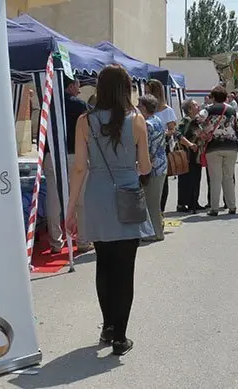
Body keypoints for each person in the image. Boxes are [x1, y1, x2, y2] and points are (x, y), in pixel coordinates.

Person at [65, 65, 154, 356]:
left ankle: (107, 326)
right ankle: (121, 337)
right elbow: (146, 167)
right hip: (126, 193)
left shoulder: (84, 121)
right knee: (124, 270)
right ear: (126, 88)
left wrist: (70, 208)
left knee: (103, 265)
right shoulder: (137, 119)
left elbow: (80, 167)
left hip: (97, 195)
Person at [44, 74, 92, 254]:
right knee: (80, 199)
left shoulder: (47, 102)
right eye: (78, 84)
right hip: (75, 154)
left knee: (53, 200)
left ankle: (55, 242)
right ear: (71, 85)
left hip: (52, 154)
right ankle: (83, 240)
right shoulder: (79, 105)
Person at [201, 86, 238, 216]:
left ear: (213, 97)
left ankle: (214, 208)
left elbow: (195, 121)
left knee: (215, 178)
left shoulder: (208, 109)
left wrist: (202, 134)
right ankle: (232, 206)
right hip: (231, 147)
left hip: (214, 147)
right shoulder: (232, 110)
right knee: (229, 177)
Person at [137, 95, 168, 241]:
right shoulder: (158, 120)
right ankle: (157, 229)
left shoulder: (147, 124)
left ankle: (156, 233)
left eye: (139, 105)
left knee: (152, 203)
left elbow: (146, 149)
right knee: (155, 201)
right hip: (161, 165)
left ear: (144, 107)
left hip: (153, 167)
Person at [146, 79, 177, 213]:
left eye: (148, 91)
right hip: (147, 146)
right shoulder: (145, 109)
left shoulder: (167, 110)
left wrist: (163, 133)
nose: (146, 94)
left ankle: (161, 210)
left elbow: (173, 129)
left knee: (161, 179)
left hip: (161, 146)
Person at [176, 98, 204, 213]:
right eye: (195, 105)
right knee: (185, 179)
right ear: (189, 109)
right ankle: (182, 204)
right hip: (187, 154)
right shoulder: (186, 120)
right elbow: (178, 134)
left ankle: (194, 202)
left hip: (196, 154)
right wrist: (189, 144)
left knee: (196, 178)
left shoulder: (196, 121)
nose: (198, 107)